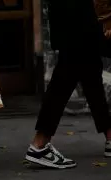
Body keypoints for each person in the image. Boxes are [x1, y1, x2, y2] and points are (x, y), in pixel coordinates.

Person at [25, 0, 111, 169]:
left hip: (73, 9)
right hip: (77, 9)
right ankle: (40, 143)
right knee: (70, 67)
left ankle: (109, 134)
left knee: (89, 68)